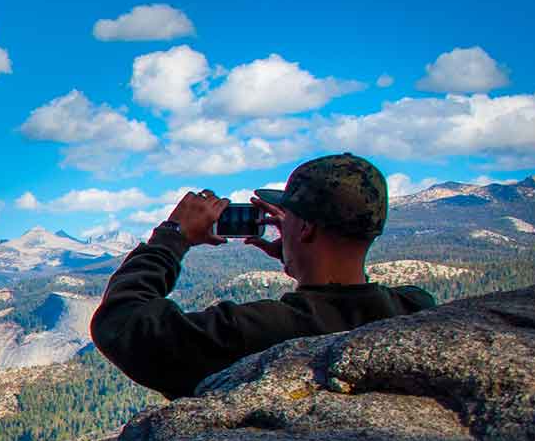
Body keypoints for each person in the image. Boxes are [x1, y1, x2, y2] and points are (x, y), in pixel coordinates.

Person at [90, 152, 437, 399]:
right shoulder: (413, 308)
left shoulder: (259, 330)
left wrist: (172, 237)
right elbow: (344, 300)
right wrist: (300, 258)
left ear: (305, 229)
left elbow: (122, 323)